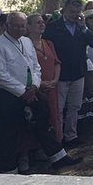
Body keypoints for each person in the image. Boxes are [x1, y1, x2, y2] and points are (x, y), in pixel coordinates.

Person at [0, 13, 73, 173]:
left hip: (31, 90)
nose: (20, 29)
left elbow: (35, 66)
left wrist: (34, 85)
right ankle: (9, 169)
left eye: (22, 26)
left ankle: (58, 156)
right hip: (8, 94)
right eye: (16, 26)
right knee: (9, 132)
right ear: (7, 26)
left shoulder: (26, 42)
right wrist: (22, 91)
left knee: (43, 121)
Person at [45, 0, 93, 147]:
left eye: (77, 12)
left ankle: (71, 135)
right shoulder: (53, 27)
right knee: (59, 108)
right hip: (61, 74)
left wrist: (84, 28)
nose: (74, 15)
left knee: (74, 107)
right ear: (64, 10)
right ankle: (58, 137)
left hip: (78, 73)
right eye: (71, 12)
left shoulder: (82, 28)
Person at [27, 14, 63, 143]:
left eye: (42, 22)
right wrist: (39, 83)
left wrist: (55, 80)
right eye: (37, 23)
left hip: (52, 86)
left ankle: (55, 145)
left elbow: (57, 63)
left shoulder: (48, 43)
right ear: (28, 26)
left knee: (54, 114)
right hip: (36, 88)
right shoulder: (25, 45)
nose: (42, 24)